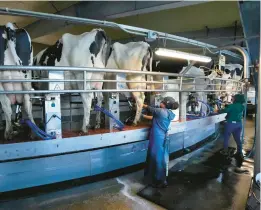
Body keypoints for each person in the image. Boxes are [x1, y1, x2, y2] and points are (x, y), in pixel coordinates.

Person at [142, 97, 179, 188]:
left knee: (154, 157)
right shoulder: (168, 113)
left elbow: (149, 108)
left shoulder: (160, 111)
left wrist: (140, 103)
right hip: (163, 137)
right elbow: (155, 117)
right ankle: (161, 179)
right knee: (161, 157)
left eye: (161, 102)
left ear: (164, 104)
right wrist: (142, 116)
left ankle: (155, 180)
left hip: (157, 137)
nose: (160, 103)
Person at [219, 93, 246, 167]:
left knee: (226, 138)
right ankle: (239, 151)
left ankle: (225, 151)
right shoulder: (242, 106)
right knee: (237, 138)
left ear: (236, 99)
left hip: (231, 124)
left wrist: (218, 110)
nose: (232, 98)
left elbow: (224, 111)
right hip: (239, 124)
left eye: (233, 98)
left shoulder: (232, 106)